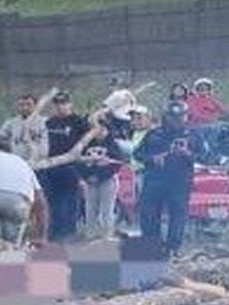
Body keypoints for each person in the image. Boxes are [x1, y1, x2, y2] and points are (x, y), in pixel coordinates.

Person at [135, 101, 204, 256]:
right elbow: (137, 154)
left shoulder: (193, 135)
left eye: (179, 117)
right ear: (165, 117)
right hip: (154, 180)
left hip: (180, 181)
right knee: (149, 215)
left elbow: (205, 156)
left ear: (185, 117)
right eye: (172, 117)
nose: (176, 120)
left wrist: (187, 154)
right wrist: (152, 159)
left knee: (178, 215)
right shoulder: (154, 134)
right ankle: (152, 246)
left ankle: (173, 247)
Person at [43, 91, 90, 242]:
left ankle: (69, 234)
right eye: (57, 104)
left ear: (70, 104)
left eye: (63, 103)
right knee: (52, 203)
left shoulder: (79, 122)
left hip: (72, 167)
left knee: (70, 203)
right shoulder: (49, 123)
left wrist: (83, 174)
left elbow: (87, 146)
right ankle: (53, 235)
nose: (60, 107)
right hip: (51, 167)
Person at [79, 119, 127, 240]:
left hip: (108, 180)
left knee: (107, 210)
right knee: (90, 209)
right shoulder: (86, 144)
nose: (99, 132)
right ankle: (90, 234)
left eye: (102, 129)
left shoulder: (112, 145)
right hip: (90, 181)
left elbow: (117, 163)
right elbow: (79, 163)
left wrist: (101, 176)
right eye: (96, 129)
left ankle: (107, 234)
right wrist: (86, 176)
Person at [0, 94, 49, 162]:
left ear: (35, 106)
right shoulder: (11, 123)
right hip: (18, 162)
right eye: (21, 105)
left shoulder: (45, 122)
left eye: (28, 104)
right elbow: (0, 139)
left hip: (40, 162)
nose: (25, 108)